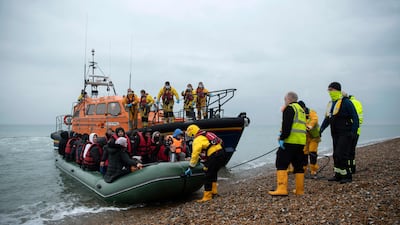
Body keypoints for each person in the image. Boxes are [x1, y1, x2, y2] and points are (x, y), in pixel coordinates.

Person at [320, 82, 359, 184]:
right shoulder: (332, 104)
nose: (329, 92)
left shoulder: (346, 102)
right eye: (328, 90)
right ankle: (338, 174)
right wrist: (320, 130)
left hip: (345, 132)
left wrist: (353, 132)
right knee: (336, 155)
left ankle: (347, 176)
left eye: (331, 90)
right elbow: (327, 119)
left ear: (337, 90)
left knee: (341, 154)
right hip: (335, 133)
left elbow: (355, 117)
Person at [269, 91, 307, 196]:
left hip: (290, 141)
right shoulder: (301, 110)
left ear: (289, 99)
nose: (284, 101)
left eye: (285, 99)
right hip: (300, 142)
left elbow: (287, 126)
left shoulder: (289, 108)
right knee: (298, 165)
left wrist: (282, 138)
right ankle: (300, 190)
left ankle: (281, 189)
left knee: (281, 162)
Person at [184, 124, 225, 202]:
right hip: (221, 153)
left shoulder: (197, 140)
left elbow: (195, 154)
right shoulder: (208, 134)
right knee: (213, 172)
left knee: (208, 175)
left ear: (192, 133)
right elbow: (221, 141)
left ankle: (207, 196)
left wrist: (191, 167)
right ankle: (214, 192)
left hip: (214, 155)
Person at [298, 100, 321, 177]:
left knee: (312, 151)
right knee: (304, 152)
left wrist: (309, 126)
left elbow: (315, 119)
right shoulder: (298, 115)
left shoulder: (311, 112)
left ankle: (313, 169)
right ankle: (303, 168)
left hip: (314, 136)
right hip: (305, 137)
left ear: (304, 108)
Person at [343, 92, 363, 174]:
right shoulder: (358, 102)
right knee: (352, 150)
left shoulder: (348, 103)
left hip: (349, 130)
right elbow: (359, 118)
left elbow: (352, 117)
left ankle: (349, 169)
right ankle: (352, 168)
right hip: (357, 130)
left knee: (347, 151)